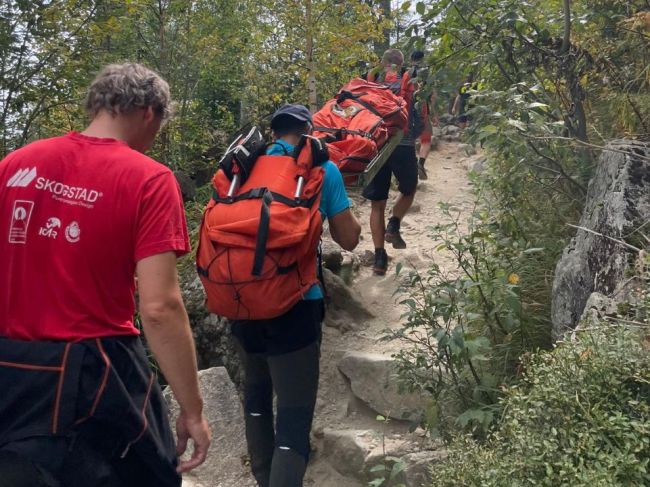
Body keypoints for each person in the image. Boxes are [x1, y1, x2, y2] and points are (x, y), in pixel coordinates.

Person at [0, 63, 210, 486]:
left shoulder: (14, 165)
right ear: (150, 113)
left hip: (11, 371)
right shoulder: (149, 179)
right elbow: (159, 307)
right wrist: (192, 410)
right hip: (95, 374)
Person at [230, 104, 361, 487]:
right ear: (307, 132)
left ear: (273, 134)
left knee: (256, 403)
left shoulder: (243, 168)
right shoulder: (322, 170)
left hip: (241, 301)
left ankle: (263, 478)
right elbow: (349, 239)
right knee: (293, 416)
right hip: (296, 305)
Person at [365, 49, 424, 275]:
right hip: (403, 143)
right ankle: (394, 224)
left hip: (375, 144)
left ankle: (379, 258)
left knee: (376, 203)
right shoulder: (409, 79)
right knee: (409, 190)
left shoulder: (371, 79)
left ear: (383, 62)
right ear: (401, 64)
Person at [407, 50, 438, 181]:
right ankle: (421, 163)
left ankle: (410, 164)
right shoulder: (427, 74)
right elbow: (433, 96)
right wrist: (434, 113)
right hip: (422, 109)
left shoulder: (406, 73)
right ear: (423, 58)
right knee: (426, 140)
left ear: (411, 59)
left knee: (410, 139)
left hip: (407, 109)